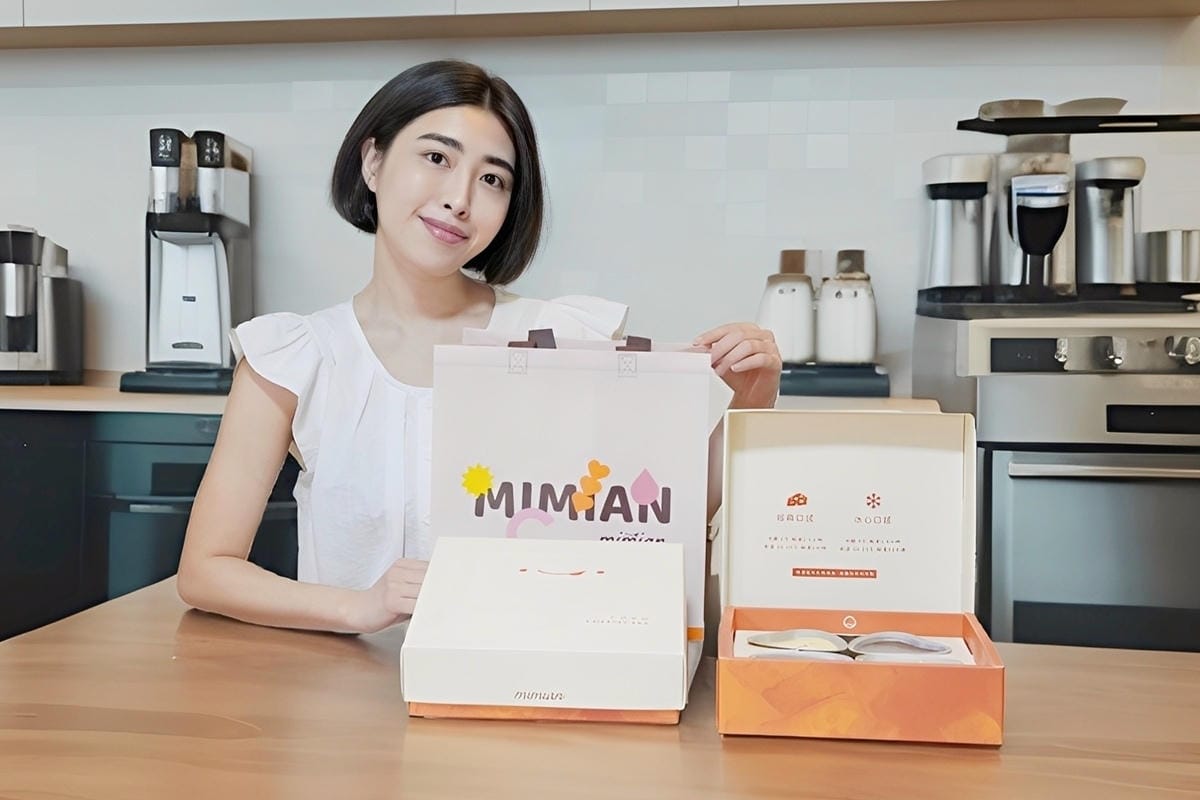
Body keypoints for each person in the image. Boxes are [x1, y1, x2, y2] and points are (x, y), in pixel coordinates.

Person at [177, 59, 781, 635]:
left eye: (492, 179)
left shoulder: (563, 340)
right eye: (437, 157)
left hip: (528, 675)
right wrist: (360, 606)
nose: (460, 198)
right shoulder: (295, 357)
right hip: (344, 684)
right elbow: (206, 570)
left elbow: (655, 515)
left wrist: (751, 403)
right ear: (373, 161)